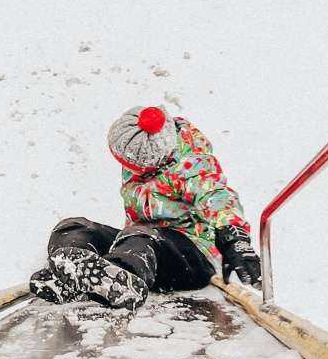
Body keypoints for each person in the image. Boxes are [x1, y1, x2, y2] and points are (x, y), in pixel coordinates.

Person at [29, 105, 262, 311]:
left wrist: (234, 238)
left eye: (129, 164)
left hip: (190, 257)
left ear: (150, 161)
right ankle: (72, 270)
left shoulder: (191, 167)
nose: (126, 168)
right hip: (139, 244)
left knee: (140, 236)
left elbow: (217, 195)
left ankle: (121, 280)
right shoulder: (146, 149)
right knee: (74, 226)